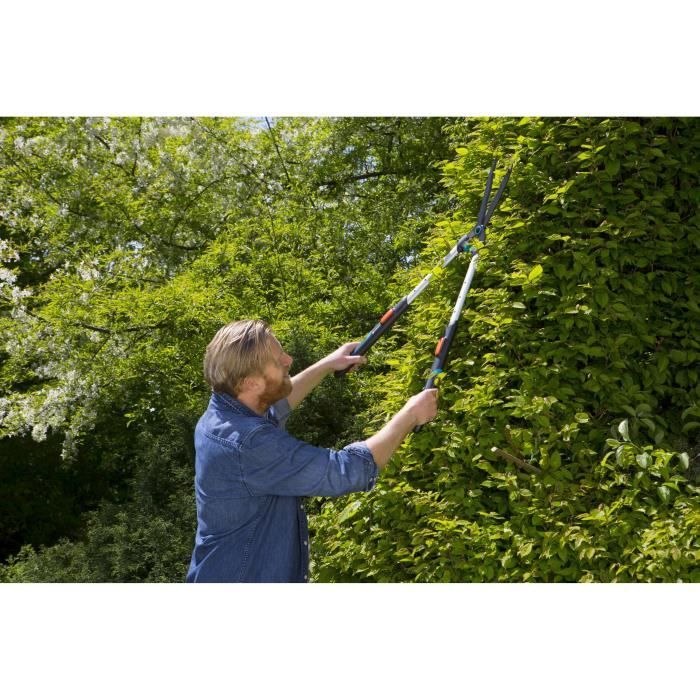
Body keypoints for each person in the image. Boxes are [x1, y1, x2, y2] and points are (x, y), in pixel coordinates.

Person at [186, 319, 438, 583]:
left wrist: (327, 364)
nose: (289, 360)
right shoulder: (248, 443)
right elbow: (346, 471)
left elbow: (275, 406)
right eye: (278, 361)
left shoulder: (224, 412)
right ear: (251, 383)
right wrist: (411, 414)